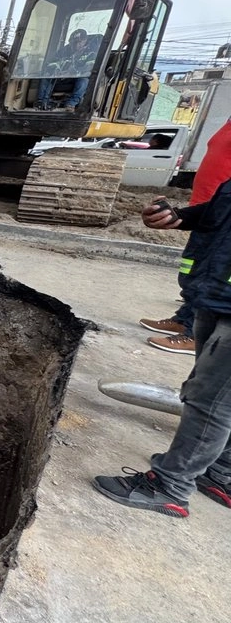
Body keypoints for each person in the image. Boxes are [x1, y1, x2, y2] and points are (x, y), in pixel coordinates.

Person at [94, 177, 231, 517]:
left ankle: (171, 487)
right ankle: (221, 471)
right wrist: (182, 217)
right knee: (216, 395)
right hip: (214, 294)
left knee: (209, 401)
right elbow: (222, 212)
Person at [139, 119, 231, 355]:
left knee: (219, 284)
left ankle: (198, 335)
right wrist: (182, 217)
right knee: (196, 272)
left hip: (222, 222)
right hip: (214, 212)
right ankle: (188, 320)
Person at [36, 28, 96, 111]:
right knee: (45, 77)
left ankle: (71, 104)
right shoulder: (63, 51)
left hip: (77, 77)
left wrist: (75, 71)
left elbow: (90, 67)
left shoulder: (91, 53)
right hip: (61, 76)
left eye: (79, 42)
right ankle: (41, 102)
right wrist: (56, 69)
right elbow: (51, 63)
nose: (76, 45)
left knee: (84, 80)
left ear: (85, 41)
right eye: (74, 42)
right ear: (70, 41)